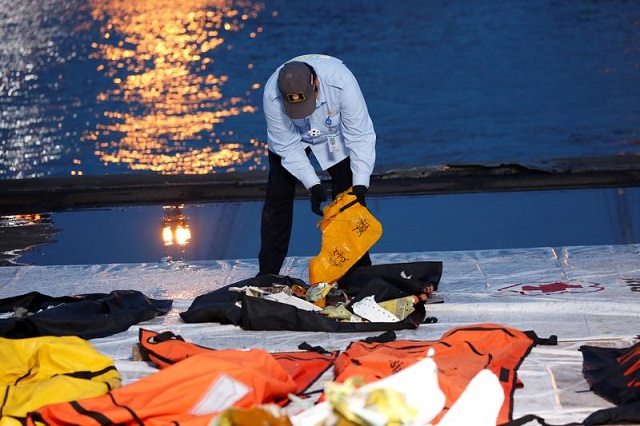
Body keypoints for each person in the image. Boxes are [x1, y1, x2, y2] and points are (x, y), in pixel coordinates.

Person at [258, 54, 376, 276]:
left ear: (317, 83)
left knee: (348, 197)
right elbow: (288, 146)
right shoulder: (271, 95)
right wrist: (312, 184)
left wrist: (361, 183)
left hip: (332, 136)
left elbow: (360, 136)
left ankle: (357, 271)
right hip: (292, 138)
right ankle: (267, 272)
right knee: (277, 199)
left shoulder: (341, 82)